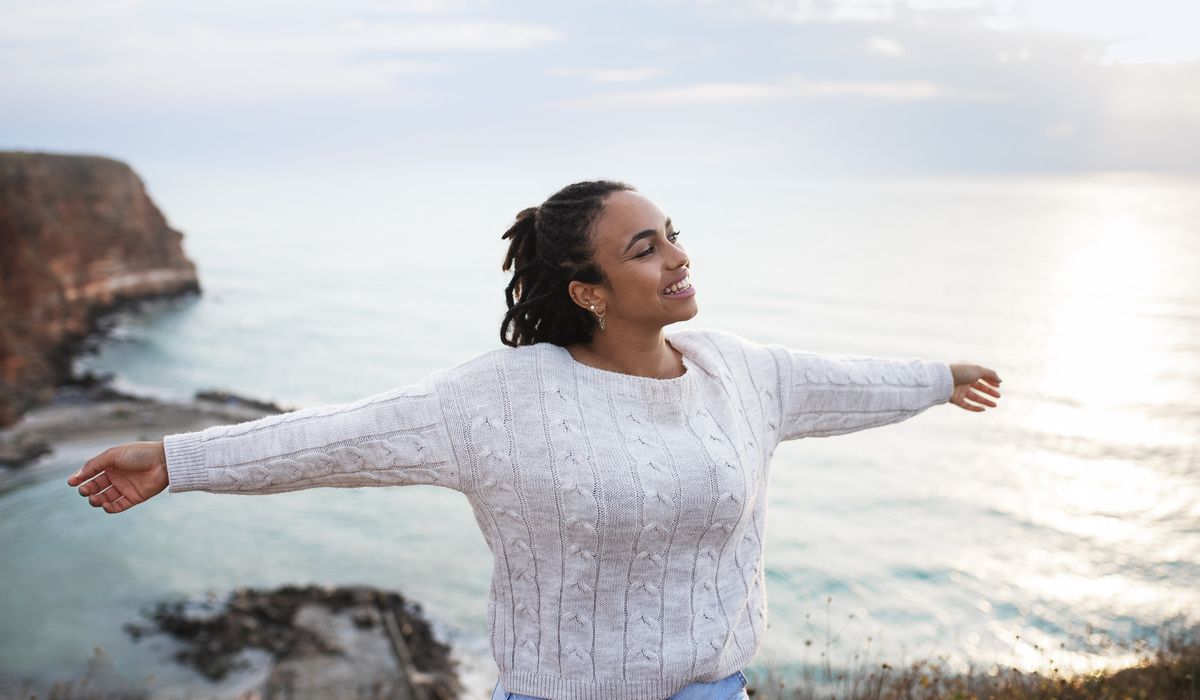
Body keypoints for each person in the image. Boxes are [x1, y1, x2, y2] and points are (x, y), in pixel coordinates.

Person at [67, 180, 1002, 700]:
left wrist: (937, 376)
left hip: (719, 697)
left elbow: (839, 380)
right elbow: (339, 439)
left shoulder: (734, 369)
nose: (677, 257)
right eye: (644, 248)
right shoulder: (505, 397)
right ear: (587, 291)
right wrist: (178, 459)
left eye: (671, 236)